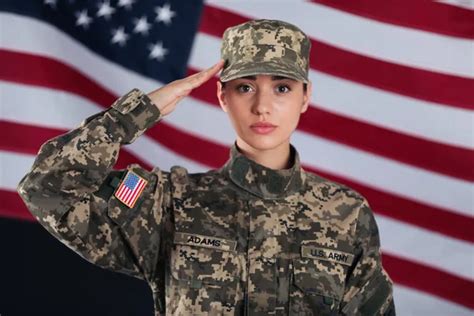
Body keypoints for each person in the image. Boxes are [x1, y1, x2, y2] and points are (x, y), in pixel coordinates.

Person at [17, 19, 395, 315]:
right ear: (222, 95)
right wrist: (135, 114)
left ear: (305, 96)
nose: (263, 106)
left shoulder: (345, 213)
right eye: (245, 87)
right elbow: (46, 189)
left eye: (282, 87)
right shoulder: (169, 202)